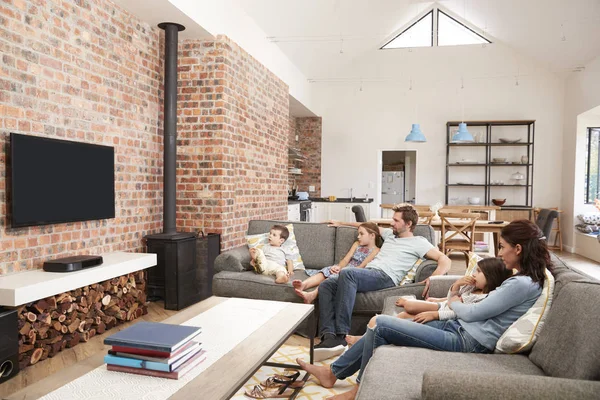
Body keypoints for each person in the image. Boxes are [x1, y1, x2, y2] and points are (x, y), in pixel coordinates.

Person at [296, 219, 551, 400]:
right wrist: (453, 298)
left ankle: (355, 390)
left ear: (518, 249)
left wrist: (453, 302)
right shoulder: (523, 279)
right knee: (380, 326)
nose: (501, 253)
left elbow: (473, 313)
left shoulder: (522, 283)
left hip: (467, 339)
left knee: (383, 325)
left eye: (504, 247)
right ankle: (333, 373)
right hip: (458, 328)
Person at [313, 203, 451, 361]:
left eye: (396, 220)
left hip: (385, 277)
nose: (392, 223)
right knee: (326, 285)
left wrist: (433, 278)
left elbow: (445, 260)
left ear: (408, 224)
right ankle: (329, 336)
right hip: (367, 274)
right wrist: (341, 223)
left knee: (347, 273)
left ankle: (340, 335)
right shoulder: (390, 235)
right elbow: (368, 226)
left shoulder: (419, 242)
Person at [345, 257, 513, 346]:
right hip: (447, 313)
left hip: (450, 320)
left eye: (479, 272)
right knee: (402, 314)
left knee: (387, 319)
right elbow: (451, 300)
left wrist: (435, 314)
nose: (474, 274)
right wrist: (455, 286)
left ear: (492, 277)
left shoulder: (483, 298)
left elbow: (457, 312)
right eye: (475, 270)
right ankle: (364, 339)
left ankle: (363, 339)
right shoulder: (469, 288)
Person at [292, 222, 383, 304]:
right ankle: (303, 285)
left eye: (361, 234)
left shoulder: (376, 250)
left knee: (333, 277)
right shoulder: (356, 244)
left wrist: (343, 271)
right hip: (345, 268)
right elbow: (346, 260)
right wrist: (339, 267)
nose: (358, 236)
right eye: (358, 233)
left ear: (372, 235)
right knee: (328, 270)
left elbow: (362, 266)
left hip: (354, 272)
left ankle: (312, 295)